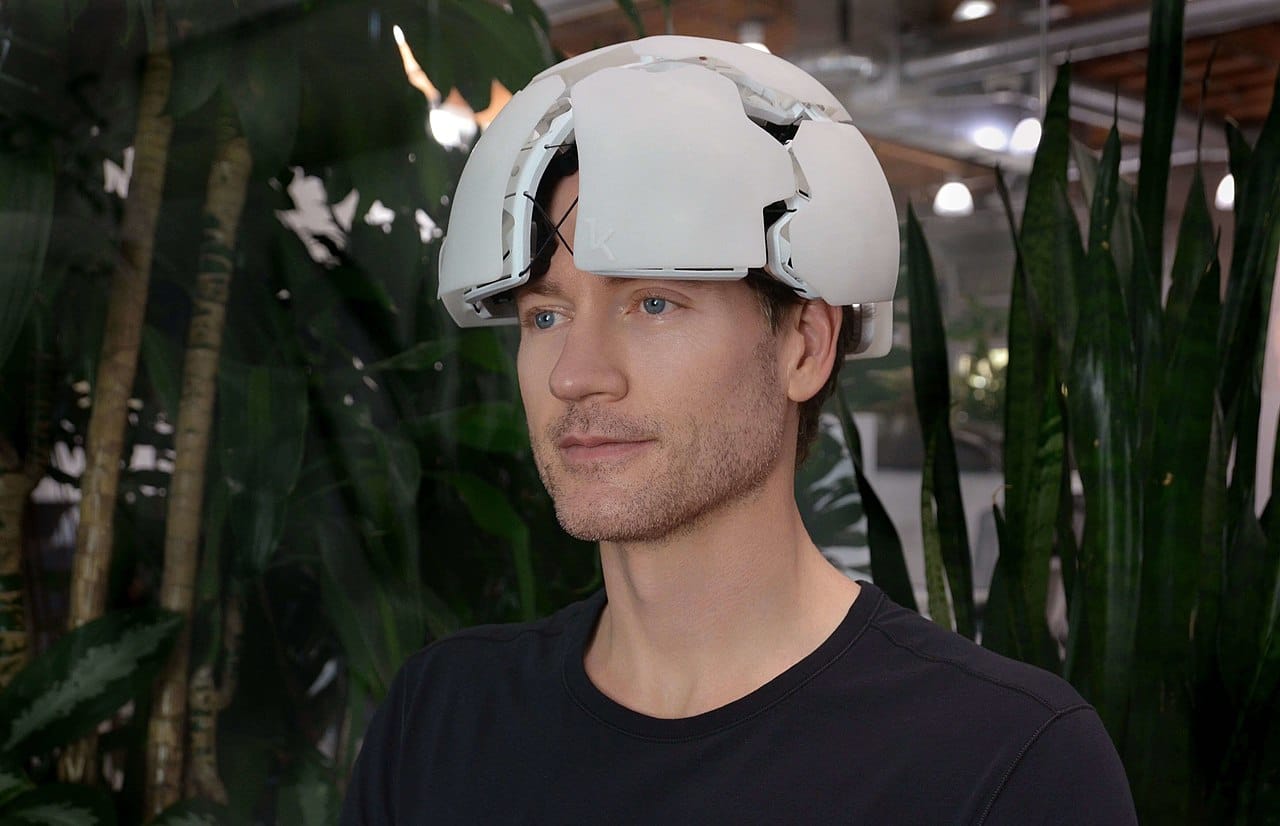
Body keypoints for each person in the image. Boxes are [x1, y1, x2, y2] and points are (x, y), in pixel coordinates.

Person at [341, 35, 1137, 824]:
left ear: (805, 347)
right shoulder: (440, 720)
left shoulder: (1003, 762)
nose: (573, 376)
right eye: (546, 316)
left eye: (654, 303)